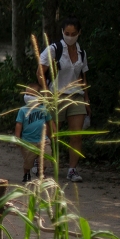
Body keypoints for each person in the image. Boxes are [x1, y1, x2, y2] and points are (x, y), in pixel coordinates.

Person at [38, 17, 90, 183]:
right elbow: (40, 71)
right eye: (67, 33)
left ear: (79, 33)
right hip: (57, 94)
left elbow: (83, 77)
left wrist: (87, 99)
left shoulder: (82, 53)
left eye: (73, 33)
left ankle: (72, 169)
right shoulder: (54, 49)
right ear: (62, 32)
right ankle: (42, 163)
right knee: (53, 134)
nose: (70, 36)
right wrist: (46, 92)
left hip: (76, 95)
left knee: (76, 135)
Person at [15, 87, 55, 183]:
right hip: (28, 141)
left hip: (43, 140)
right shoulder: (23, 110)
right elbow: (19, 124)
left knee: (47, 155)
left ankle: (40, 172)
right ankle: (26, 174)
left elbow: (50, 121)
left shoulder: (44, 109)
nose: (28, 97)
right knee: (28, 160)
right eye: (27, 94)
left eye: (32, 95)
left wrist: (55, 132)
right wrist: (17, 137)